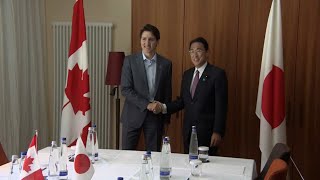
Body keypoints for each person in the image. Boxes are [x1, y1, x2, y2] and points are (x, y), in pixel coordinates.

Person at [151, 37, 228, 155]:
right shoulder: (187, 74)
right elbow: (183, 101)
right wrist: (163, 107)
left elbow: (221, 106)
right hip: (188, 132)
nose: (195, 55)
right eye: (191, 51)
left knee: (207, 167)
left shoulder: (217, 74)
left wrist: (217, 131)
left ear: (207, 53)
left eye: (199, 50)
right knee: (190, 164)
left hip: (208, 133)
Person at [120, 24, 172, 151]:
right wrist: (147, 104)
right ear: (140, 40)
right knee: (127, 156)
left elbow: (167, 93)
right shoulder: (129, 61)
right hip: (132, 116)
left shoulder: (166, 64)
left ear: (157, 42)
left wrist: (166, 120)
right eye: (144, 39)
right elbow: (125, 89)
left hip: (155, 118)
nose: (147, 43)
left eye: (151, 39)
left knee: (153, 157)